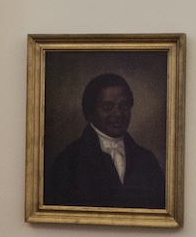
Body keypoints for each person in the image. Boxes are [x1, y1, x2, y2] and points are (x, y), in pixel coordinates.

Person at [44, 71, 168, 209]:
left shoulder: (147, 160)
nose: (118, 113)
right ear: (90, 111)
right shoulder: (68, 161)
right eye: (108, 107)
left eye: (124, 106)